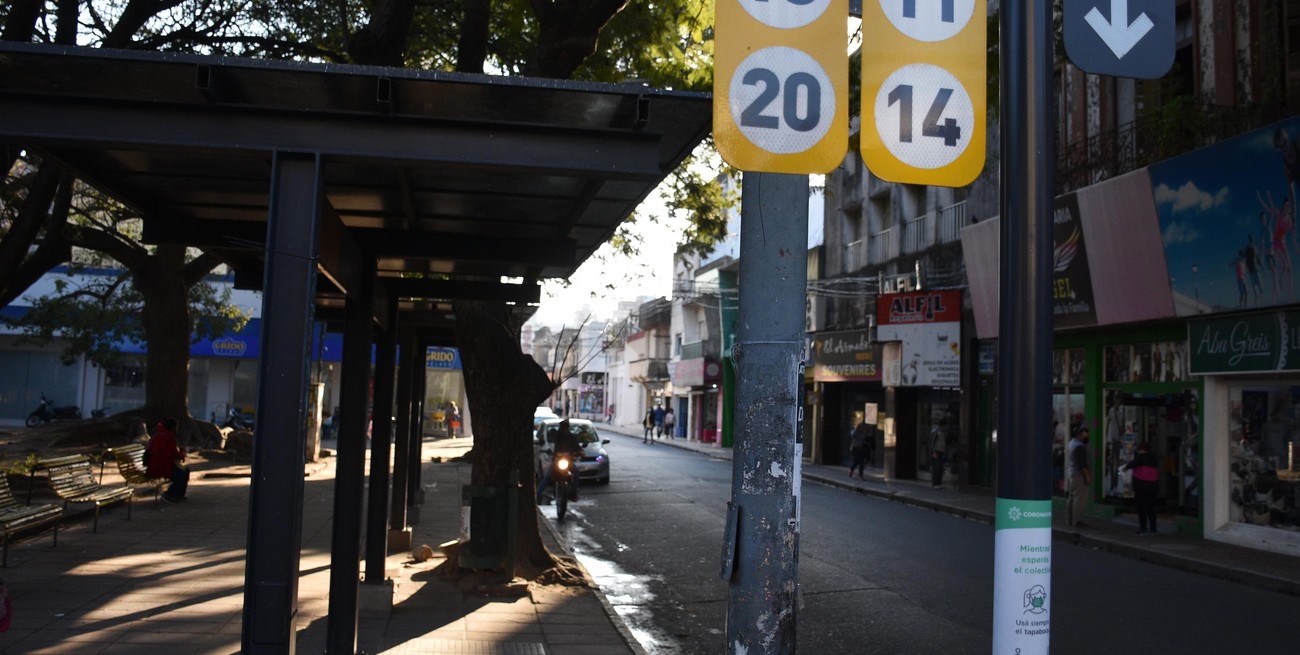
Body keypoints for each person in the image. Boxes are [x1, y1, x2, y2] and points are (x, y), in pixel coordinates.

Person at [536, 418, 583, 503]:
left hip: (568, 461)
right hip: (557, 460)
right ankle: (537, 493)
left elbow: (577, 447)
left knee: (576, 472)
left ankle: (574, 493)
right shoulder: (558, 436)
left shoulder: (572, 437)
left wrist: (580, 452)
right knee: (548, 476)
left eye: (565, 427)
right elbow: (551, 443)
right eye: (563, 427)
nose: (564, 430)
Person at [147, 417, 190, 503]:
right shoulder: (166, 436)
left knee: (185, 471)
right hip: (160, 466)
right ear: (173, 428)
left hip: (162, 464)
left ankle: (178, 494)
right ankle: (170, 494)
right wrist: (182, 455)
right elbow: (171, 453)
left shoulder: (162, 434)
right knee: (181, 474)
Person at [1124, 442, 1161, 534]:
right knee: (1151, 508)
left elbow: (1130, 465)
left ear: (1141, 450)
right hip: (1153, 486)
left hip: (1141, 486)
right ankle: (1153, 528)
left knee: (1141, 508)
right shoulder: (1154, 458)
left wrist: (1125, 469)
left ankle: (1143, 528)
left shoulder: (1140, 458)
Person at [1067, 426, 1093, 527]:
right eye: (1086, 434)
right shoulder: (1079, 446)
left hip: (1072, 474)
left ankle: (1070, 520)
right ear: (1081, 434)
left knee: (1072, 498)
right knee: (1079, 499)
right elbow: (1082, 464)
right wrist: (1088, 476)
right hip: (1078, 476)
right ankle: (1076, 521)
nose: (1087, 437)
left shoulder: (1071, 444)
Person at [930, 420, 948, 487]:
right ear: (941, 425)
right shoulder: (936, 431)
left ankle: (939, 483)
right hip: (936, 451)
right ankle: (935, 483)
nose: (944, 427)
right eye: (944, 426)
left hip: (941, 451)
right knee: (936, 467)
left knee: (940, 467)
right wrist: (934, 452)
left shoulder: (943, 432)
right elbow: (932, 442)